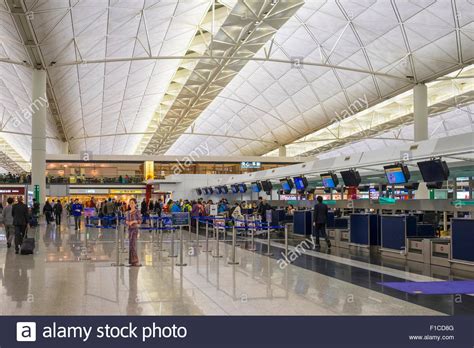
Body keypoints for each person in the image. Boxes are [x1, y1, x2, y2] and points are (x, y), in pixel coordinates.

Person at [126, 198, 141, 267]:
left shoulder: (137, 211)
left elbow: (139, 221)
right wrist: (128, 222)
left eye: (132, 203)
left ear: (135, 204)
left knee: (134, 244)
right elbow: (126, 220)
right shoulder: (128, 212)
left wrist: (133, 221)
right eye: (130, 203)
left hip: (135, 229)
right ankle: (131, 261)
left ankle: (136, 261)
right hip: (129, 229)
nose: (131, 204)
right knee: (130, 245)